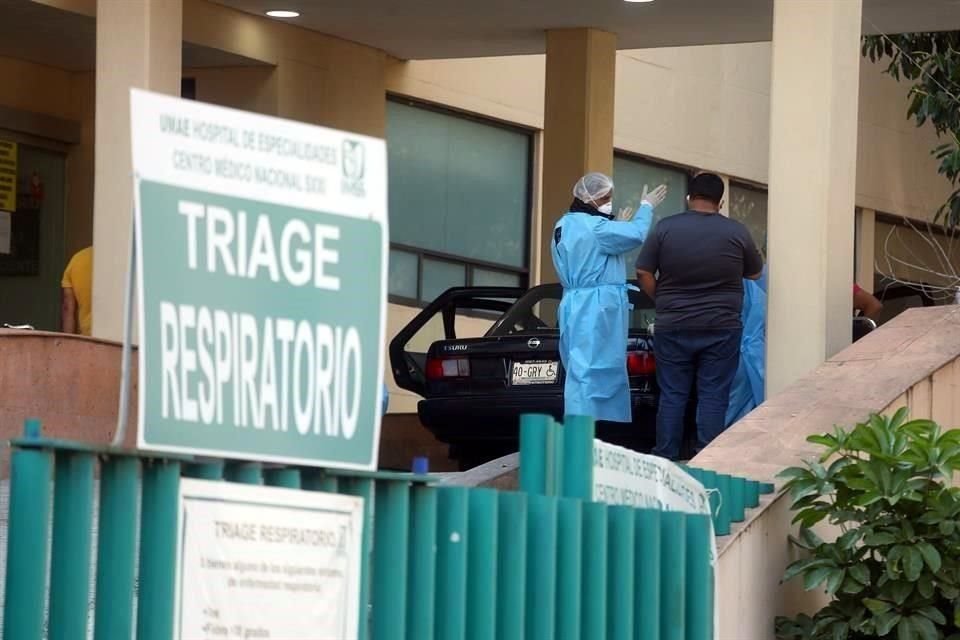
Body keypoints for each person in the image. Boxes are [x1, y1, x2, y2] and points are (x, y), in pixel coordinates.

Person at [635, 173, 763, 459]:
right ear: (721, 202)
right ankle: (708, 460)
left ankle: (665, 457)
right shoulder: (737, 232)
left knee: (672, 395)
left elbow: (643, 271)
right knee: (713, 395)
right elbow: (755, 272)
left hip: (673, 325)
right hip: (721, 327)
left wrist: (663, 301)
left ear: (689, 197)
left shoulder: (665, 228)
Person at [551, 172, 668, 422]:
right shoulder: (596, 228)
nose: (609, 201)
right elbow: (636, 234)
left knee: (581, 369)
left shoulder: (564, 224)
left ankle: (588, 428)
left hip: (576, 304)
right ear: (590, 198)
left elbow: (597, 248)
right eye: (605, 197)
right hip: (596, 307)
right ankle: (586, 431)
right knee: (591, 370)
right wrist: (645, 207)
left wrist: (614, 226)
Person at [61, 246, 93, 336]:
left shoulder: (77, 259)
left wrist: (67, 345)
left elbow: (68, 308)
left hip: (88, 338)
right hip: (122, 338)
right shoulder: (124, 257)